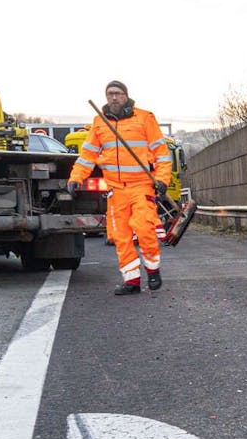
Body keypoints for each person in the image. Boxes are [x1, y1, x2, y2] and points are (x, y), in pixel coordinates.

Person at [68, 81, 171, 294]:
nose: (113, 97)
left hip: (141, 186)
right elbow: (87, 155)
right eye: (110, 94)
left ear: (126, 95)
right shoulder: (99, 122)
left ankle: (153, 269)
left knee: (144, 228)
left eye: (118, 93)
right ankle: (131, 280)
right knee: (120, 236)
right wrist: (75, 178)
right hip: (115, 190)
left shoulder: (144, 118)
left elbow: (161, 153)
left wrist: (162, 179)